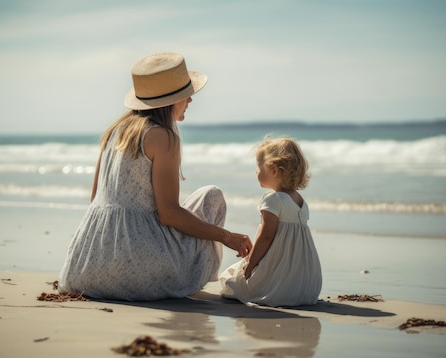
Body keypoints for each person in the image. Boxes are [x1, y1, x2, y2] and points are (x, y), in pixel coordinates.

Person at [58, 52, 252, 300]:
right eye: (185, 95)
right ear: (171, 101)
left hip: (85, 269)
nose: (190, 99)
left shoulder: (114, 132)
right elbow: (169, 214)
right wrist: (227, 237)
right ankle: (183, 281)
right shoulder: (162, 137)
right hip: (137, 274)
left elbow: (96, 198)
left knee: (190, 211)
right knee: (211, 197)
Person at [219, 136, 322, 307]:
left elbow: (266, 237)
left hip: (280, 283)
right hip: (307, 285)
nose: (256, 172)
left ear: (273, 169)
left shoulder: (273, 199)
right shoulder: (301, 202)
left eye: (258, 167)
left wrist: (251, 265)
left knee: (232, 280)